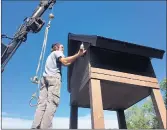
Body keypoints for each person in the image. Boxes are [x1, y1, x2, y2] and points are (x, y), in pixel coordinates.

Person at [31, 43, 86, 129]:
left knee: (41, 104)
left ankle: (35, 126)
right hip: (53, 78)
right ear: (56, 48)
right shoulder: (57, 53)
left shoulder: (50, 56)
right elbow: (64, 61)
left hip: (44, 79)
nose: (63, 49)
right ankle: (44, 127)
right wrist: (78, 54)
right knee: (52, 103)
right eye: (62, 47)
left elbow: (66, 64)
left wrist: (77, 56)